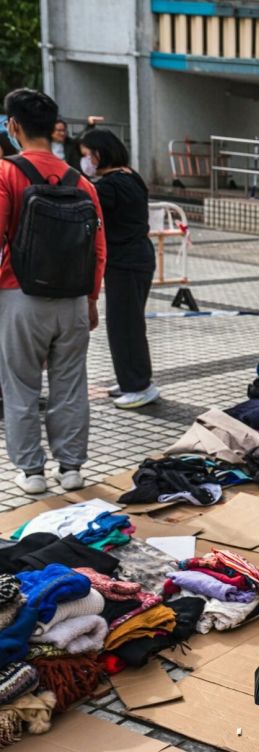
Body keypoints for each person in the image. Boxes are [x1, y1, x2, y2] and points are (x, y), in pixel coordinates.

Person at [0, 88, 107, 494]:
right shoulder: (82, 182)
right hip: (73, 300)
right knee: (71, 385)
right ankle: (71, 468)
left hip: (20, 296)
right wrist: (91, 299)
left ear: (14, 126)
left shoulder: (6, 173)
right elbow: (99, 249)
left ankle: (32, 472)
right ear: (53, 128)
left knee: (20, 385)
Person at [79, 128, 161, 409]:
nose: (85, 162)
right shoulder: (130, 176)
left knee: (124, 326)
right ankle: (131, 379)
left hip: (126, 262)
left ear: (99, 154)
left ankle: (139, 386)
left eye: (87, 155)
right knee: (129, 323)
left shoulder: (109, 186)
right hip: (138, 257)